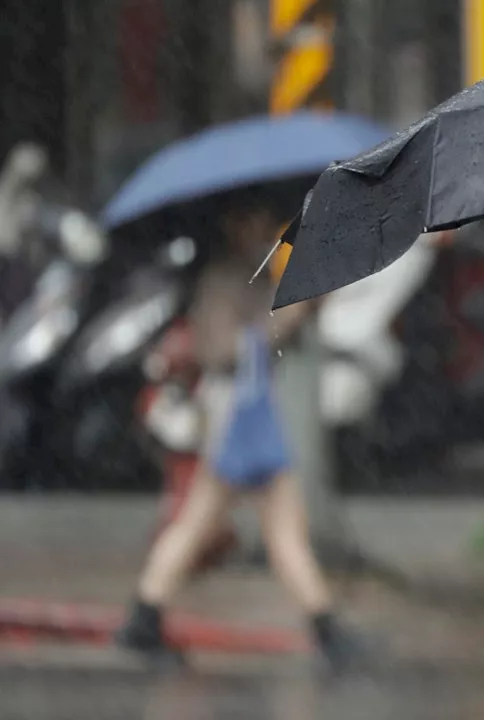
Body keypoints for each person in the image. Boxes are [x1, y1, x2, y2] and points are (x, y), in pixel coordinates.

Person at [115, 196, 362, 673]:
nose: (264, 229)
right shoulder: (225, 278)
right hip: (234, 417)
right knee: (213, 523)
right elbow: (225, 348)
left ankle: (325, 627)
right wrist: (293, 315)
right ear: (234, 225)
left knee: (269, 526)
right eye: (255, 220)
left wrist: (300, 308)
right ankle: (326, 629)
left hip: (250, 415)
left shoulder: (254, 272)